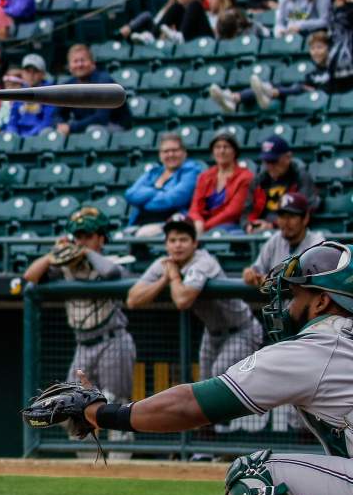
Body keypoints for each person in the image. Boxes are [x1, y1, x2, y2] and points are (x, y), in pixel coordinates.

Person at [27, 240, 353, 495]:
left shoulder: (320, 346)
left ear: (322, 302)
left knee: (254, 474)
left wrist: (101, 412)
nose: (285, 306)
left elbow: (190, 406)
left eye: (296, 295)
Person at [23, 207, 136, 449]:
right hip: (83, 345)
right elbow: (30, 276)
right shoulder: (65, 266)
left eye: (88, 235)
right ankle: (87, 468)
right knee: (70, 406)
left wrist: (84, 250)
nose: (81, 240)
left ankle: (121, 467)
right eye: (78, 235)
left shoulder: (110, 261)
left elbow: (112, 273)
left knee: (115, 406)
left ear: (101, 238)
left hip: (113, 340)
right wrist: (55, 252)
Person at [127, 214, 262, 382]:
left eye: (183, 240)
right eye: (173, 240)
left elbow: (183, 301)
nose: (178, 245)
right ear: (166, 244)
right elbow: (132, 299)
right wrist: (163, 280)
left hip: (241, 329)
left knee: (221, 380)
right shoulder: (166, 263)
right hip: (212, 333)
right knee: (204, 386)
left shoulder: (204, 261)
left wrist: (174, 277)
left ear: (194, 243)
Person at [210, 30, 333, 113]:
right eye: (312, 48)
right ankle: (233, 97)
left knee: (297, 87)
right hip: (304, 92)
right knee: (275, 84)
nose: (316, 52)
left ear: (329, 49)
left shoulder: (335, 68)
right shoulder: (312, 72)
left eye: (320, 48)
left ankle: (267, 93)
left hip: (317, 97)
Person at [124, 132, 203, 236]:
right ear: (160, 155)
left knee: (141, 235)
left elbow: (173, 199)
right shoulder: (154, 172)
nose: (170, 154)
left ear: (184, 153)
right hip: (138, 222)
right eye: (166, 151)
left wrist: (144, 202)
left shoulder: (191, 171)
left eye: (175, 150)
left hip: (172, 224)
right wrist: (155, 191)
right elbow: (130, 194)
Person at [243, 192, 326, 286]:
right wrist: (250, 273)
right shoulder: (275, 240)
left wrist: (270, 281)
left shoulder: (317, 243)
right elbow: (257, 270)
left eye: (292, 216)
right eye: (282, 216)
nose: (285, 222)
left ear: (305, 218)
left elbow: (308, 281)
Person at [55, 44, 131, 135]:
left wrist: (71, 127)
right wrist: (60, 125)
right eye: (75, 61)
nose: (79, 65)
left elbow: (101, 118)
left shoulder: (105, 82)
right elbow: (56, 114)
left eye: (83, 60)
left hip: (115, 127)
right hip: (86, 127)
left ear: (93, 63)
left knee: (92, 130)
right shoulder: (67, 86)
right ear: (70, 67)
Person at [247, 136, 318, 232]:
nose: (270, 166)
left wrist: (272, 225)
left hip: (290, 230)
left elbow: (304, 210)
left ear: (288, 157)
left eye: (274, 161)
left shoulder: (300, 177)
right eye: (266, 161)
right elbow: (247, 210)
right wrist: (249, 224)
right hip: (260, 228)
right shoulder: (259, 180)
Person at [189, 132, 253, 234]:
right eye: (217, 147)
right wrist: (198, 222)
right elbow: (195, 207)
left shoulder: (245, 177)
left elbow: (233, 212)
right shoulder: (204, 176)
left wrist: (205, 227)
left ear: (235, 151)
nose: (222, 151)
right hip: (202, 225)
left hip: (230, 225)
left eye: (226, 147)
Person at [119, 0, 212, 45]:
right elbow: (159, 23)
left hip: (204, 40)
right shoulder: (175, 8)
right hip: (186, 42)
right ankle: (151, 36)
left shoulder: (198, 6)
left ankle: (180, 36)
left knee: (194, 4)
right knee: (176, 7)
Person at [2, 54, 56, 136]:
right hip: (19, 136)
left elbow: (48, 121)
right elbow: (13, 119)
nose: (31, 75)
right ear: (22, 73)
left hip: (39, 136)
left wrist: (30, 136)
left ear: (43, 74)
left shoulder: (49, 92)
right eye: (28, 71)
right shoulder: (19, 93)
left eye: (35, 71)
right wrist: (13, 133)